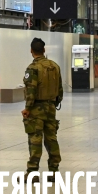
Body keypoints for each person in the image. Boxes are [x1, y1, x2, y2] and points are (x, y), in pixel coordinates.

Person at [21, 37, 63, 181]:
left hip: (36, 109)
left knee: (35, 139)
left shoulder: (32, 68)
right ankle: (54, 171)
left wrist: (27, 108)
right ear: (44, 50)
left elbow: (31, 90)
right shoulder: (55, 66)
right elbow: (60, 90)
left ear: (31, 51)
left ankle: (32, 173)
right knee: (52, 138)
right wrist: (53, 103)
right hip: (51, 108)